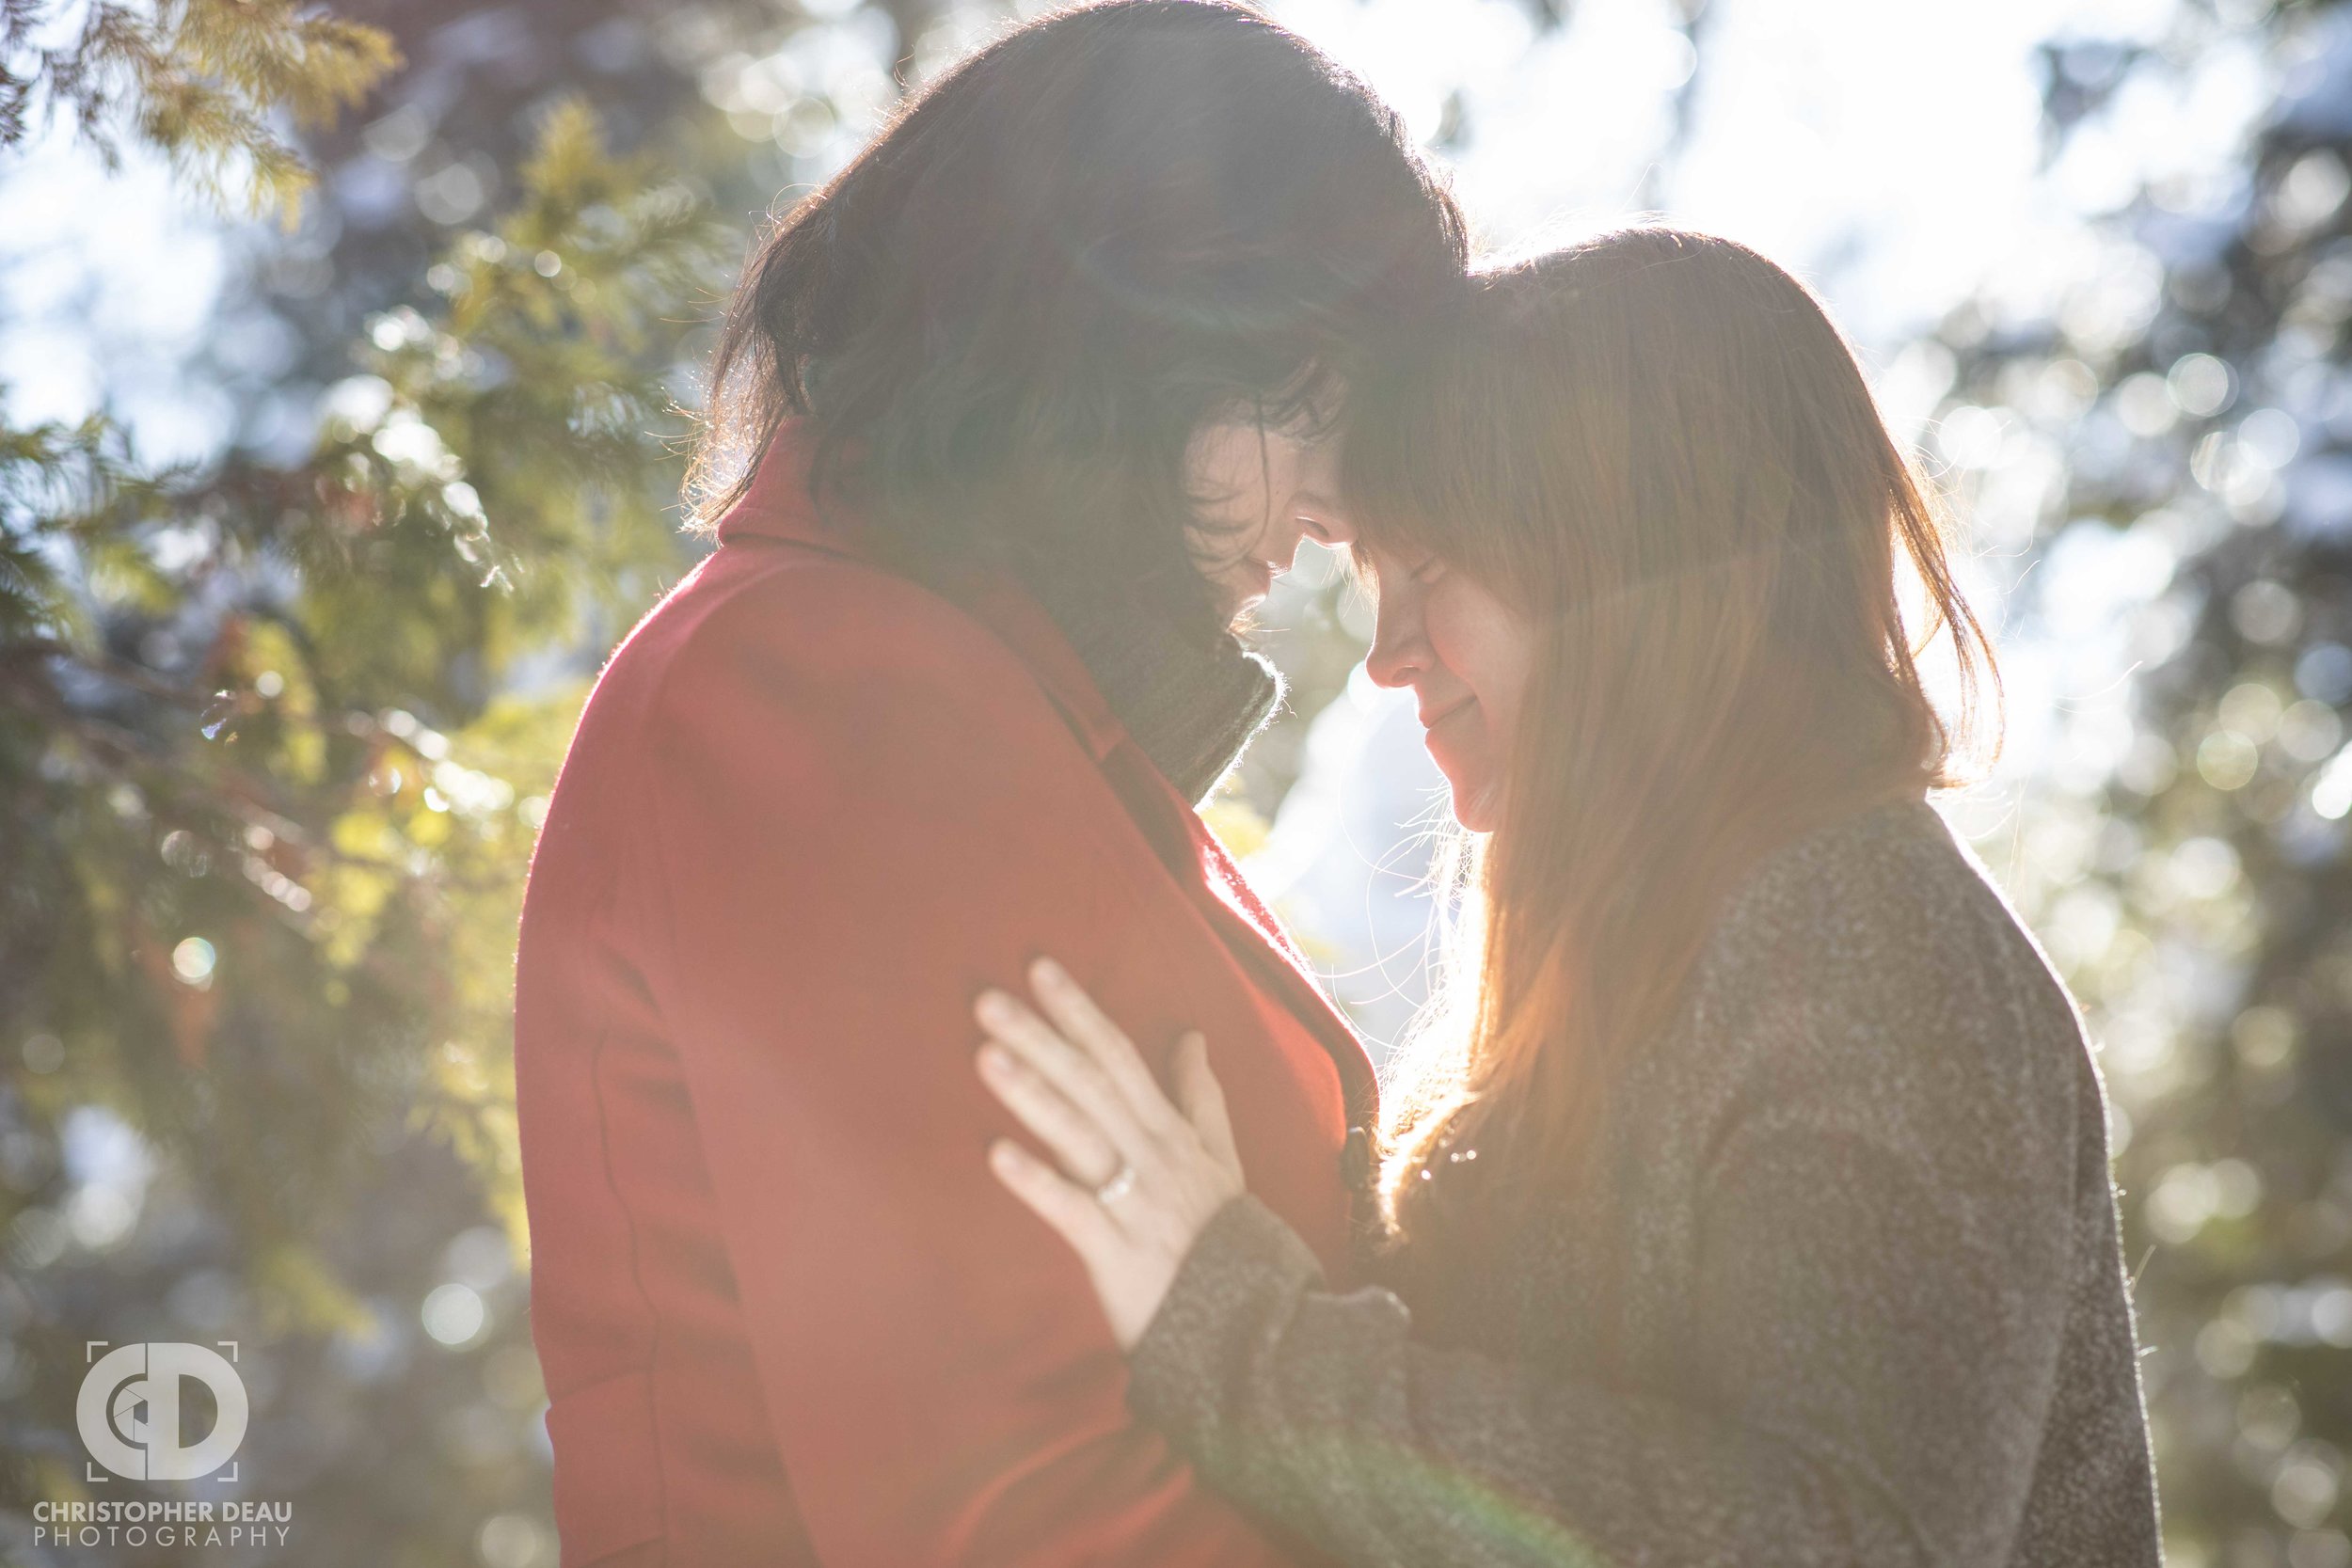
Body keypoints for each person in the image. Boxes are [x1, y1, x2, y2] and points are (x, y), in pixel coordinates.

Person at [974, 228, 2165, 1567]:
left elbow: (1841, 1537)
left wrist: (1243, 1337)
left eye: (1435, 570)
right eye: (1377, 578)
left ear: (1624, 571)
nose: (1386, 655)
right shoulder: (1628, 953)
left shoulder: (1865, 936)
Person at [511, 3, 1464, 1562]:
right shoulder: (822, 702)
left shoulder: (993, 707)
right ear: (1153, 326)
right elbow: (1026, 1502)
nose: (1351, 505)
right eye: (1331, 396)